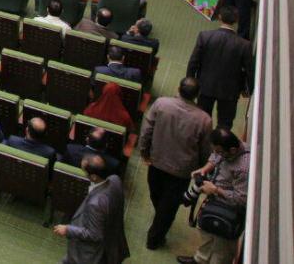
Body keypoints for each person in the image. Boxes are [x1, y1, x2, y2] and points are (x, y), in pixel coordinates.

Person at [139, 77, 213, 250]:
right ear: (197, 95)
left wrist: (144, 152)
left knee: (156, 194)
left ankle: (154, 238)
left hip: (157, 162)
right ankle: (160, 225)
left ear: (178, 88)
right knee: (168, 205)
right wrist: (202, 168)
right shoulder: (204, 120)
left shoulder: (161, 104)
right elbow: (205, 148)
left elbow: (146, 130)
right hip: (182, 171)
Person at [175, 127, 249, 264]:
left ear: (232, 151)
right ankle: (200, 260)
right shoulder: (229, 146)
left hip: (228, 211)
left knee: (222, 248)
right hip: (214, 203)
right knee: (207, 233)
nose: (216, 154)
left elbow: (241, 198)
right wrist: (205, 168)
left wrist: (216, 190)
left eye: (219, 152)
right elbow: (216, 156)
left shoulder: (244, 168)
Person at [52, 154, 129, 263]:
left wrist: (68, 229)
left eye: (84, 171)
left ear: (94, 177)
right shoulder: (115, 180)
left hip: (89, 255)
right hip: (111, 241)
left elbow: (94, 234)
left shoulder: (95, 204)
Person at [186, 5, 252, 129]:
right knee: (224, 125)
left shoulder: (205, 36)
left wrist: (190, 83)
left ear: (220, 17)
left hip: (205, 86)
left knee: (202, 122)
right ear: (236, 20)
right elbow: (249, 71)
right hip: (230, 92)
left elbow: (193, 62)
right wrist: (247, 90)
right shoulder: (244, 45)